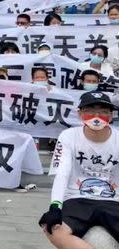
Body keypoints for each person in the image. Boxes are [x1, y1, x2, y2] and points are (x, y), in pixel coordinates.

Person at [39, 91, 119, 248]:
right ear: (80, 114)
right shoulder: (68, 136)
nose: (97, 116)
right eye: (90, 111)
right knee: (52, 228)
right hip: (76, 198)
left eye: (103, 112)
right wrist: (55, 206)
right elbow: (62, 173)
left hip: (113, 200)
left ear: (111, 116)